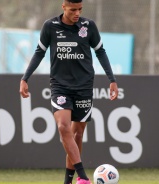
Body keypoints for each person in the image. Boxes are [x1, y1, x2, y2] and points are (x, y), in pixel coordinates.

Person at [19, 0, 118, 183]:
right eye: (73, 10)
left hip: (84, 86)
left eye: (80, 9)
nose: (77, 13)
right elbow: (39, 52)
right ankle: (82, 176)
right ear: (63, 7)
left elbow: (100, 52)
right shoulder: (50, 27)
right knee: (63, 126)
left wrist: (112, 80)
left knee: (77, 134)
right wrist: (25, 78)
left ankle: (68, 181)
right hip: (60, 86)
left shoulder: (89, 26)